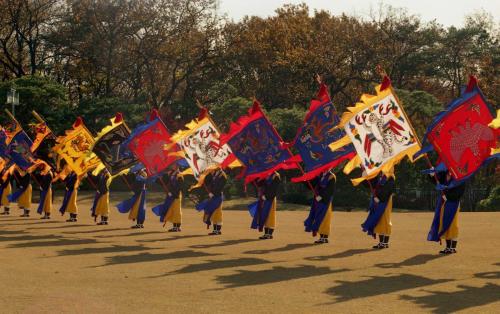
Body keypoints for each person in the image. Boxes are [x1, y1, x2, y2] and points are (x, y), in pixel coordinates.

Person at [427, 170, 465, 254]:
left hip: (453, 202)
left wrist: (448, 196)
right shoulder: (443, 174)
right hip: (444, 202)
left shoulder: (458, 175)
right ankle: (448, 247)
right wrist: (432, 175)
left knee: (452, 224)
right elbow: (436, 181)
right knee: (445, 223)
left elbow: (460, 191)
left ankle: (453, 247)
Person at [361, 170, 395, 249]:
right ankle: (381, 242)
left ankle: (385, 242)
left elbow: (389, 189)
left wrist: (379, 198)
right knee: (379, 220)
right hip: (378, 200)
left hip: (385, 201)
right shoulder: (379, 175)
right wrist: (365, 177)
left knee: (385, 220)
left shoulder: (390, 176)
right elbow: (371, 184)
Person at [304, 169, 336, 244]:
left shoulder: (331, 176)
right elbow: (312, 185)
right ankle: (321, 236)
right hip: (318, 199)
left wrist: (321, 197)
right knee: (317, 216)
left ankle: (324, 237)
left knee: (324, 218)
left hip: (325, 200)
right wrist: (306, 178)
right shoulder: (320, 175)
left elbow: (330, 190)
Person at [195, 168, 227, 235]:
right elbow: (211, 184)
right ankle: (215, 229)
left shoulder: (222, 175)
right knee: (213, 213)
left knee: (217, 213)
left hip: (218, 196)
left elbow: (220, 186)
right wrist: (202, 176)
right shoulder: (215, 174)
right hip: (213, 196)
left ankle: (217, 230)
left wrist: (213, 193)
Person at [249, 172, 280, 239]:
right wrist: (252, 178)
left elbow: (274, 189)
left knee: (270, 215)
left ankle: (270, 233)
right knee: (264, 215)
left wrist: (267, 196)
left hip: (270, 198)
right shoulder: (266, 173)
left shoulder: (275, 175)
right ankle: (266, 233)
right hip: (263, 197)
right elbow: (259, 184)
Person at [152, 166, 183, 232]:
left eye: (175, 165)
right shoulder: (170, 173)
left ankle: (178, 226)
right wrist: (158, 177)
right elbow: (165, 183)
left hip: (176, 195)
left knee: (177, 210)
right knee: (172, 210)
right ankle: (174, 226)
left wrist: (173, 193)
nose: (173, 166)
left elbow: (179, 186)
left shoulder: (179, 175)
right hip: (170, 194)